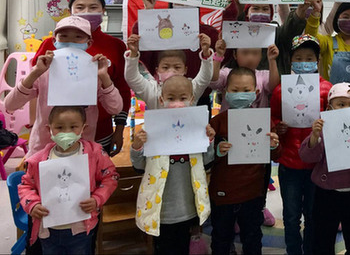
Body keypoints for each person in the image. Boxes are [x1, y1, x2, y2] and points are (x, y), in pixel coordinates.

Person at [5, 15, 122, 159]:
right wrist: (35, 73)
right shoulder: (43, 70)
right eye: (64, 36)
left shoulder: (93, 71)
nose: (70, 42)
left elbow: (115, 108)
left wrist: (104, 76)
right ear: (54, 41)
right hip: (42, 150)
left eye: (78, 37)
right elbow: (10, 105)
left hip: (81, 151)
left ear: (89, 43)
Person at [32, 0, 131, 155]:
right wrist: (33, 125)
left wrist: (120, 129)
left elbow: (122, 89)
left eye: (93, 7)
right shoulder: (50, 44)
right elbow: (35, 88)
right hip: (56, 132)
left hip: (100, 130)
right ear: (70, 11)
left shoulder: (115, 45)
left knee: (96, 169)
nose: (86, 12)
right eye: (80, 7)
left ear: (103, 10)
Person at [131, 76, 216, 255]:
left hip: (188, 207)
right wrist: (137, 146)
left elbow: (207, 163)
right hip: (160, 209)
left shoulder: (198, 128)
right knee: (163, 248)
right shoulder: (150, 129)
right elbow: (139, 166)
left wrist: (209, 141)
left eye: (183, 98)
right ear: (161, 100)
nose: (177, 103)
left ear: (192, 99)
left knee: (183, 247)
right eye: (171, 98)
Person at [18, 106, 119, 255]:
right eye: (59, 127)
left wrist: (97, 199)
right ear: (49, 129)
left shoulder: (94, 153)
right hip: (48, 230)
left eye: (73, 127)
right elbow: (25, 185)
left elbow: (110, 177)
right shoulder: (38, 160)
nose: (66, 132)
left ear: (83, 128)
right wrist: (32, 204)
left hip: (81, 229)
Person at [270, 34, 332, 255]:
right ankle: (293, 250)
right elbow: (273, 116)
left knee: (314, 215)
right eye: (298, 58)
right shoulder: (281, 90)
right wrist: (278, 126)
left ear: (317, 61)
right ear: (291, 60)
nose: (304, 62)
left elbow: (334, 120)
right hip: (290, 163)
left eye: (309, 58)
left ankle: (311, 250)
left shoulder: (327, 89)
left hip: (317, 164)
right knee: (291, 215)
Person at [209, 67, 281, 255]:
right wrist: (217, 150)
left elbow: (275, 156)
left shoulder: (264, 121)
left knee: (252, 236)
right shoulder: (218, 122)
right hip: (223, 191)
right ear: (226, 93)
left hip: (252, 191)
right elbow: (206, 158)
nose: (240, 94)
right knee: (221, 237)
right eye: (235, 90)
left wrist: (273, 145)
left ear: (256, 93)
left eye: (246, 90)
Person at [299, 82, 350, 255]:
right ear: (329, 108)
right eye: (341, 104)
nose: (346, 109)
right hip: (326, 193)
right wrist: (314, 137)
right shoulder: (323, 130)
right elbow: (306, 157)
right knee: (323, 239)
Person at [124, 33, 213, 109]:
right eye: (165, 67)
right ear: (157, 70)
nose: (171, 71)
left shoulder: (191, 87)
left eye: (177, 67)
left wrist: (206, 53)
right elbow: (132, 78)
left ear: (185, 69)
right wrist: (133, 53)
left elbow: (205, 78)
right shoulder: (151, 91)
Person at [305, 0, 350, 83]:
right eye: (345, 17)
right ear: (337, 18)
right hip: (331, 91)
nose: (349, 21)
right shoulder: (328, 42)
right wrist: (316, 12)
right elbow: (310, 38)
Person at [211, 39, 280, 110]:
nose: (250, 58)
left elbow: (274, 87)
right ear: (235, 55)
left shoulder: (264, 75)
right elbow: (213, 81)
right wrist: (219, 55)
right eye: (245, 53)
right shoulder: (227, 74)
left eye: (255, 53)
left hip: (258, 117)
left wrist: (272, 60)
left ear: (261, 56)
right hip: (228, 117)